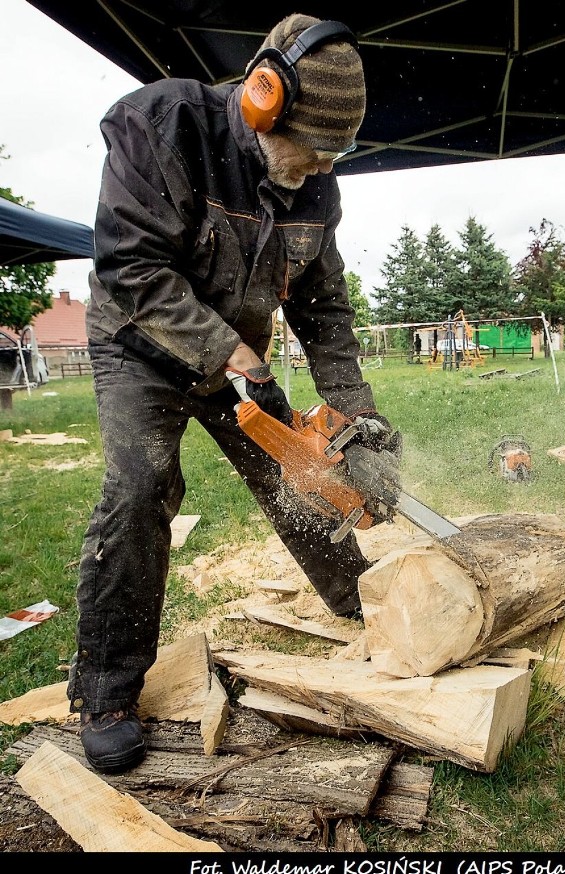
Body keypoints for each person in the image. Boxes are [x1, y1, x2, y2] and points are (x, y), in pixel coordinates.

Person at [67, 13, 401, 775]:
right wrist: (227, 349)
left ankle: (360, 600)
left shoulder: (316, 185)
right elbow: (131, 270)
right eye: (309, 149)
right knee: (143, 482)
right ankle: (108, 690)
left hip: (236, 356)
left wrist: (357, 413)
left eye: (331, 156)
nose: (317, 168)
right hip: (142, 343)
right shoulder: (161, 126)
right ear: (262, 97)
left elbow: (324, 306)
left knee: (298, 467)